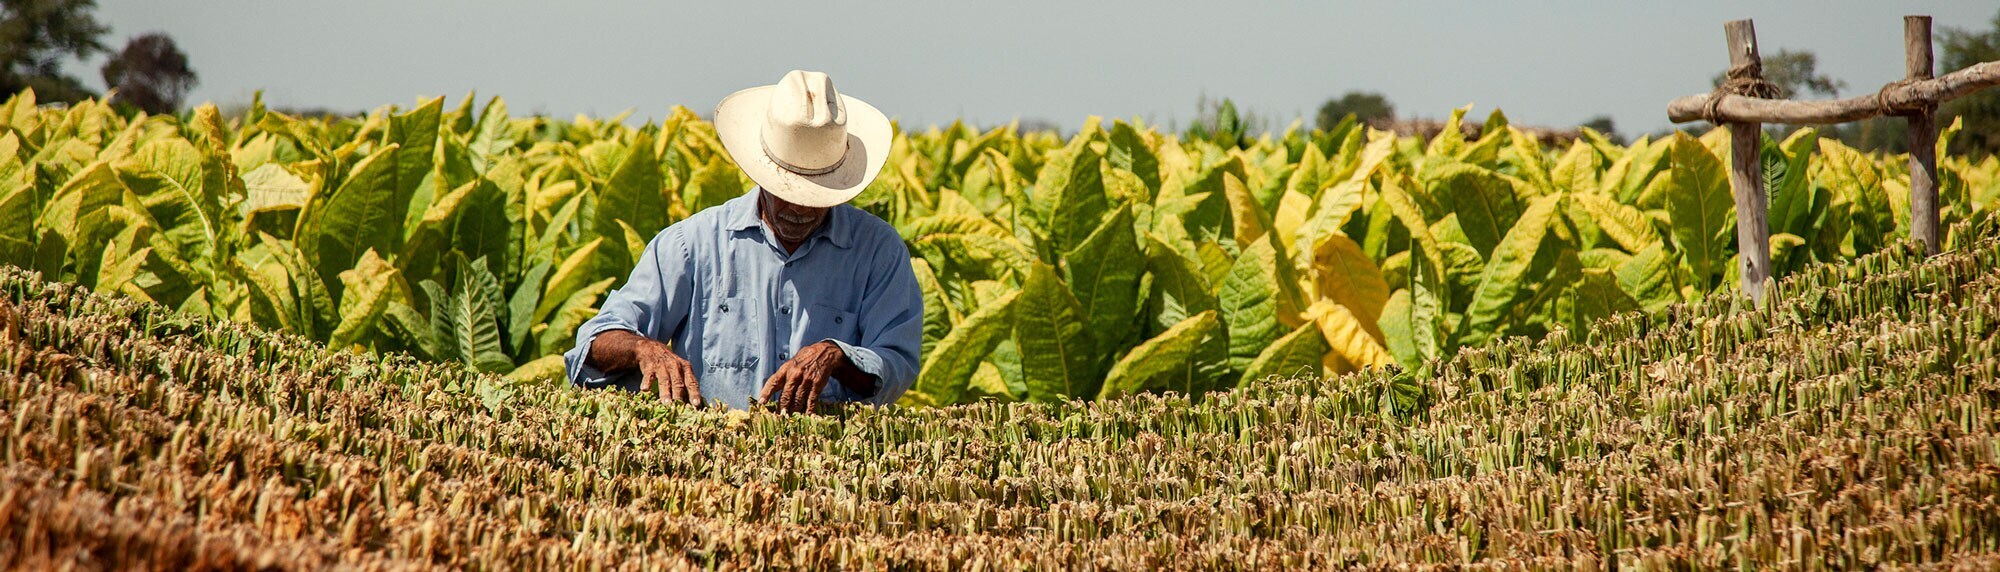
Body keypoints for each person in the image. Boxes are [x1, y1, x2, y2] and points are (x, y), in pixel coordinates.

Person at [562, 70, 922, 413]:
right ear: (761, 173)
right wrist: (644, 349)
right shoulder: (692, 244)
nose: (798, 208)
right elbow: (594, 342)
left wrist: (838, 357)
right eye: (786, 190)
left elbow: (897, 360)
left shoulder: (878, 252)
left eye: (815, 195)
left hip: (826, 463)